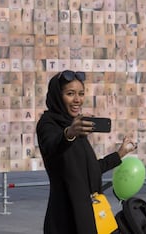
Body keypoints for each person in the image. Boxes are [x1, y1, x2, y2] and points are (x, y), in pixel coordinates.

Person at [36, 70, 137, 234]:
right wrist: (69, 133)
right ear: (57, 96)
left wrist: (120, 154)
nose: (77, 100)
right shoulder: (49, 124)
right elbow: (52, 147)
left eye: (81, 94)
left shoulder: (76, 125)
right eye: (70, 94)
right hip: (65, 216)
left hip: (87, 212)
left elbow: (90, 169)